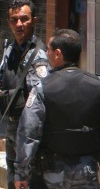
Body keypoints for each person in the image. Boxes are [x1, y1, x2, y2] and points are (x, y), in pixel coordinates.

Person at [14, 29, 99, 189]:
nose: (46, 53)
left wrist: (21, 173)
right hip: (88, 172)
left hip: (50, 174)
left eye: (49, 49)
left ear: (58, 54)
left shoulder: (42, 87)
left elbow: (29, 132)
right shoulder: (96, 85)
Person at [0, 0, 50, 189]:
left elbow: (38, 99)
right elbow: (0, 76)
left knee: (26, 182)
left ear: (34, 20)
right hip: (12, 127)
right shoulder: (10, 49)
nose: (19, 24)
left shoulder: (38, 55)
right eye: (14, 20)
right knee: (12, 182)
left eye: (24, 19)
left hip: (29, 132)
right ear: (9, 22)